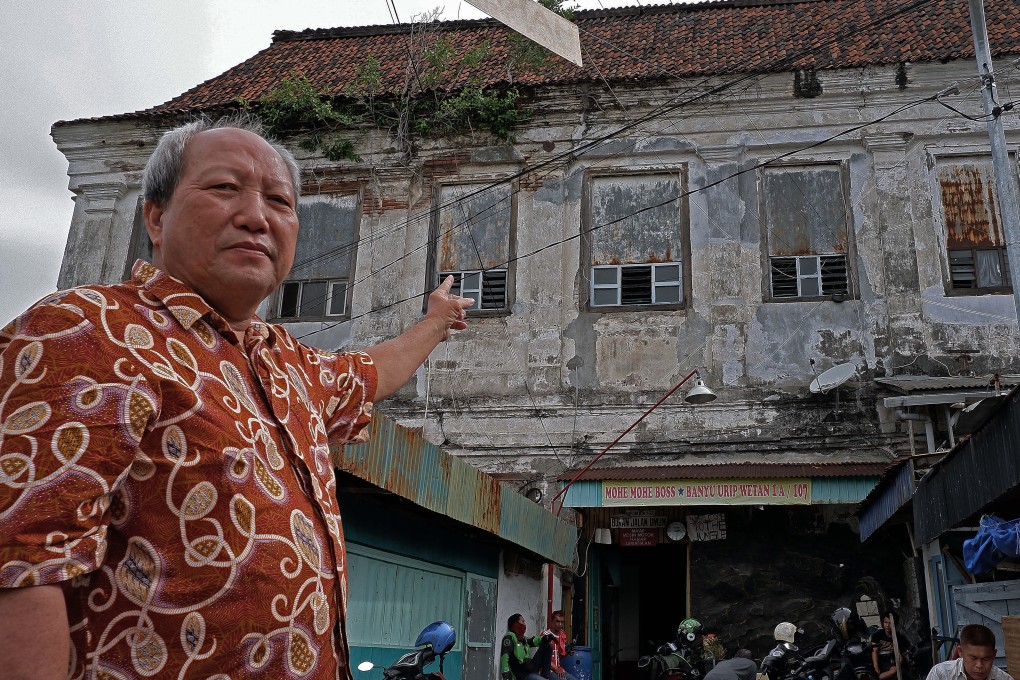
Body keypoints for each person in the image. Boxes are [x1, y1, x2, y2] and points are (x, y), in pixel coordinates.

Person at [0, 118, 475, 679]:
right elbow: (23, 560)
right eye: (224, 188)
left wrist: (437, 323)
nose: (256, 216)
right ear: (156, 216)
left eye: (279, 200)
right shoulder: (86, 329)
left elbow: (372, 373)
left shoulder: (287, 361)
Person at [925, 624, 1013, 680]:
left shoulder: (1004, 678)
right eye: (973, 658)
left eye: (986, 659)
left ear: (994, 655)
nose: (979, 665)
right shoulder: (941, 674)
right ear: (960, 652)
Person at [501, 613, 548, 680]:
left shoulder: (523, 639)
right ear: (516, 624)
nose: (525, 624)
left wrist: (545, 638)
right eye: (523, 621)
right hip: (522, 675)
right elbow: (505, 657)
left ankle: (546, 675)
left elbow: (533, 641)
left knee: (547, 644)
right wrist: (506, 676)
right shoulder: (510, 638)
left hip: (529, 669)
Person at [539, 610, 577, 680]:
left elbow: (562, 652)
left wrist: (568, 652)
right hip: (548, 670)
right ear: (552, 621)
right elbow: (543, 658)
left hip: (559, 670)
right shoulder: (545, 636)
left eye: (562, 622)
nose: (560, 624)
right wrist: (556, 669)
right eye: (557, 621)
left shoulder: (562, 635)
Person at [872, 611, 909, 680]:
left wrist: (898, 663)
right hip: (881, 659)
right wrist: (876, 666)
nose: (887, 625)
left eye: (890, 623)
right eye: (886, 622)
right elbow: (874, 651)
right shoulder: (877, 635)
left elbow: (901, 653)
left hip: (892, 659)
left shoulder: (899, 637)